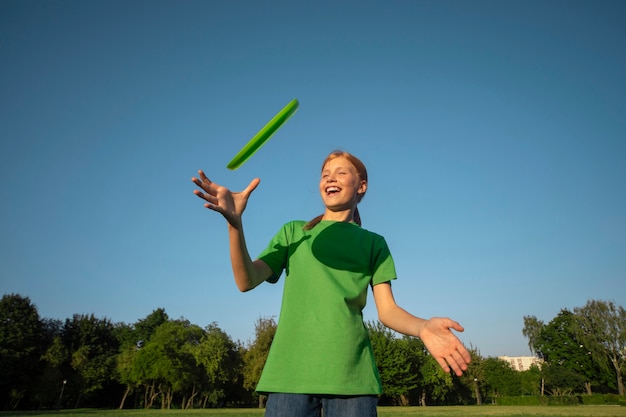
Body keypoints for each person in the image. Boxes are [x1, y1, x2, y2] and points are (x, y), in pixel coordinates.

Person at [191, 150, 470, 417]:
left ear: (361, 185)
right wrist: (234, 224)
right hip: (290, 376)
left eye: (340, 172)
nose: (330, 178)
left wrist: (422, 327)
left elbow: (387, 312)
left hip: (352, 379)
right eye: (325, 174)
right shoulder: (294, 232)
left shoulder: (374, 243)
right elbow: (246, 280)